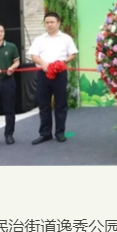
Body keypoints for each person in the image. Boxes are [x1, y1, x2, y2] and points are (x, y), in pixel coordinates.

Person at [28, 12, 78, 145]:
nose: (49, 24)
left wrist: (63, 62)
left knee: (61, 104)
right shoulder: (39, 39)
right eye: (47, 22)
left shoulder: (66, 38)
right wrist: (43, 63)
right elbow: (33, 55)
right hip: (43, 73)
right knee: (43, 104)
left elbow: (73, 54)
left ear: (58, 23)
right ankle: (45, 133)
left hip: (59, 73)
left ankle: (60, 132)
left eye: (52, 22)